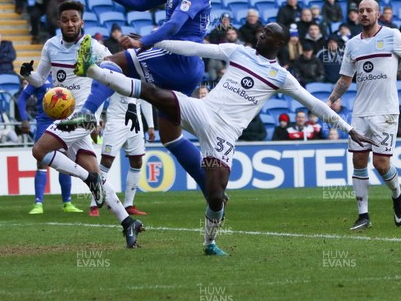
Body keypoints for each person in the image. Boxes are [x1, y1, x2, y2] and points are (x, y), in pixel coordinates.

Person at [68, 23, 374, 255]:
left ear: (279, 43)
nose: (261, 35)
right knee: (153, 93)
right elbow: (193, 49)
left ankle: (209, 242)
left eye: (267, 33)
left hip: (225, 135)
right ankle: (93, 68)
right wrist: (151, 41)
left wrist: (346, 128)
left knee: (215, 195)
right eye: (262, 31)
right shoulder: (237, 50)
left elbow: (314, 103)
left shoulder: (281, 76)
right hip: (202, 111)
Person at [47, 0, 212, 204]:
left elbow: (174, 25)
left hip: (177, 60)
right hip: (185, 67)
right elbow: (144, 2)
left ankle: (86, 114)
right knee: (171, 137)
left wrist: (142, 42)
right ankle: (212, 190)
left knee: (111, 63)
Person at [19, 0, 145, 248]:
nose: (69, 23)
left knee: (39, 151)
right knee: (98, 176)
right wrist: (27, 75)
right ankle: (128, 222)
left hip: (84, 117)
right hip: (63, 116)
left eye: (74, 19)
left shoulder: (94, 48)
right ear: (59, 22)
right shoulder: (51, 46)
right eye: (65, 19)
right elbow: (40, 79)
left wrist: (129, 103)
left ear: (82, 22)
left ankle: (89, 179)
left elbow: (117, 72)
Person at [326, 0, 401, 231]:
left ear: (378, 14)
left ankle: (398, 196)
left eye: (369, 10)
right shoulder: (352, 45)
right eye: (361, 11)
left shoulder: (393, 35)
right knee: (358, 159)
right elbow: (345, 79)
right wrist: (330, 100)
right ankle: (363, 215)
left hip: (386, 111)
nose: (365, 14)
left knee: (381, 164)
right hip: (360, 112)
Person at [17, 76, 82, 214]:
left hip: (63, 123)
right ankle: (38, 204)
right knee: (41, 162)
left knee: (65, 161)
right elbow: (22, 98)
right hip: (44, 124)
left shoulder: (66, 76)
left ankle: (67, 203)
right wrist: (24, 119)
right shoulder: (39, 78)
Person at [93, 75, 156, 217]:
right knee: (106, 162)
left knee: (137, 161)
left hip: (135, 122)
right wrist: (96, 121)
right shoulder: (115, 72)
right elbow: (101, 96)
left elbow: (146, 99)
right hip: (116, 121)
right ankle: (94, 202)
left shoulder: (140, 73)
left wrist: (150, 125)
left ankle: (128, 204)